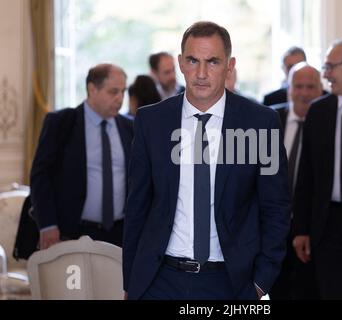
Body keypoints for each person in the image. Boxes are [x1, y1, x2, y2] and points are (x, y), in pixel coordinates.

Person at [123, 21, 290, 300]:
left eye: (212, 61)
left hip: (231, 283)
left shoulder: (260, 122)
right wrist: (131, 282)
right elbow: (137, 207)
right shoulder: (151, 121)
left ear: (230, 65)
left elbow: (276, 208)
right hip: (159, 280)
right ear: (180, 63)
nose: (201, 73)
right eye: (193, 60)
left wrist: (261, 282)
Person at [292, 40, 342, 299]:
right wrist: (301, 228)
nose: (325, 75)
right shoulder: (319, 111)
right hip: (328, 223)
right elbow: (306, 175)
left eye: (330, 67)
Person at [30, 63, 134, 249]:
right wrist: (47, 224)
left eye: (123, 92)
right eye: (113, 92)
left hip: (122, 233)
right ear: (92, 89)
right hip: (73, 231)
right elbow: (40, 176)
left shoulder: (130, 128)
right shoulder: (62, 123)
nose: (120, 99)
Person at [270, 62, 323, 300]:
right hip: (273, 224)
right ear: (289, 88)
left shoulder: (327, 121)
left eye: (310, 87)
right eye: (298, 86)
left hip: (311, 227)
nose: (304, 93)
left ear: (321, 89)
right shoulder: (270, 118)